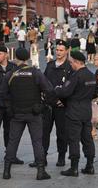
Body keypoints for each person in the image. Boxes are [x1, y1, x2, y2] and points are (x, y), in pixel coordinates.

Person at [3, 48, 52, 180]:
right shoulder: (35, 73)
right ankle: (41, 171)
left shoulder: (10, 74)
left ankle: (6, 171)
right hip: (33, 113)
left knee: (13, 141)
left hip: (16, 113)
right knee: (37, 141)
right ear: (28, 57)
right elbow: (48, 89)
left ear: (16, 58)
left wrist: (9, 108)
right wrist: (42, 105)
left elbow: (3, 93)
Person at [30, 40, 72, 168]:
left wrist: (62, 101)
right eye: (57, 50)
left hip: (61, 106)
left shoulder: (70, 67)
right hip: (48, 105)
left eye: (61, 50)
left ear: (66, 51)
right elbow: (44, 83)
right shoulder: (50, 65)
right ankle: (42, 158)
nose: (58, 52)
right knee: (43, 132)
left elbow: (70, 87)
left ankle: (61, 157)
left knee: (62, 133)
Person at [54, 51, 96, 177]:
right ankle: (90, 166)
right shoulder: (91, 75)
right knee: (87, 139)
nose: (71, 65)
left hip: (74, 112)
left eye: (71, 62)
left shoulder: (76, 76)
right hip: (86, 111)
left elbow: (65, 92)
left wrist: (57, 89)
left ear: (77, 62)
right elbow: (96, 92)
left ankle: (74, 168)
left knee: (73, 140)